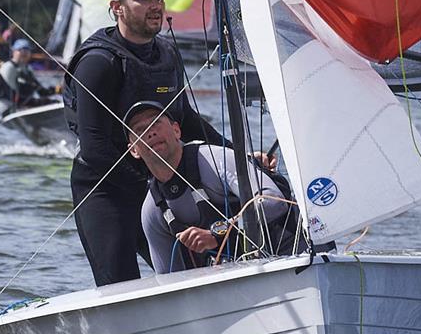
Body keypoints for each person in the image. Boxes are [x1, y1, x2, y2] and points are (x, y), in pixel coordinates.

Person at [62, 0, 229, 287]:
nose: (156, 4)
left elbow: (185, 120)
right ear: (117, 8)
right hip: (105, 191)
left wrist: (236, 155)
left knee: (190, 277)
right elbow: (95, 148)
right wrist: (155, 186)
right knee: (120, 285)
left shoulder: (166, 53)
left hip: (157, 187)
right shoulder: (98, 62)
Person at [125, 102, 299, 273]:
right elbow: (168, 280)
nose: (150, 133)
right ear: (134, 150)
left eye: (156, 123)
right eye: (140, 130)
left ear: (176, 130)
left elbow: (274, 200)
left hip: (289, 259)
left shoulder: (213, 159)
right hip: (231, 284)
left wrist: (218, 234)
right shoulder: (151, 211)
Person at [0, 38, 58, 108]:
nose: (24, 52)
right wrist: (38, 102)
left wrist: (58, 90)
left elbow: (42, 91)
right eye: (21, 50)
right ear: (14, 52)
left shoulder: (28, 69)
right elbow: (8, 95)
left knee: (54, 102)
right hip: (10, 110)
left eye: (27, 50)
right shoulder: (7, 68)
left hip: (26, 106)